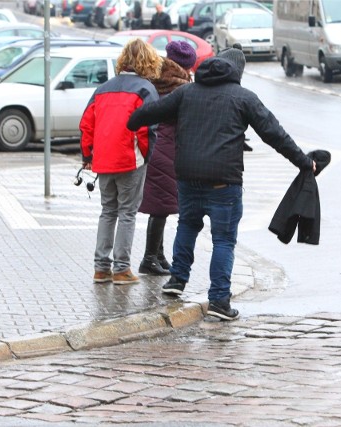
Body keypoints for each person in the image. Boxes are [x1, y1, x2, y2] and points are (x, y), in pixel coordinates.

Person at [127, 47, 315, 320]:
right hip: (223, 183)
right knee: (224, 240)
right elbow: (274, 134)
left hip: (188, 178)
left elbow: (148, 113)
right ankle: (219, 300)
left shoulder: (186, 92)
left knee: (188, 226)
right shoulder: (244, 98)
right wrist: (303, 162)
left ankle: (177, 281)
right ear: (238, 72)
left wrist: (130, 121)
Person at [80, 38, 162, 286]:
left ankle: (101, 268)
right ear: (148, 62)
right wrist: (146, 156)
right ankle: (122, 268)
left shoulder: (102, 89)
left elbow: (86, 125)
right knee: (127, 212)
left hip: (103, 160)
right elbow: (148, 128)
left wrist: (87, 156)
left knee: (108, 211)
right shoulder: (145, 89)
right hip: (130, 159)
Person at [138, 41, 196, 276]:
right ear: (184, 65)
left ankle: (158, 255)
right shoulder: (178, 86)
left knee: (160, 204)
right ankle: (150, 257)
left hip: (156, 145)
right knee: (161, 205)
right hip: (165, 146)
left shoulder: (155, 77)